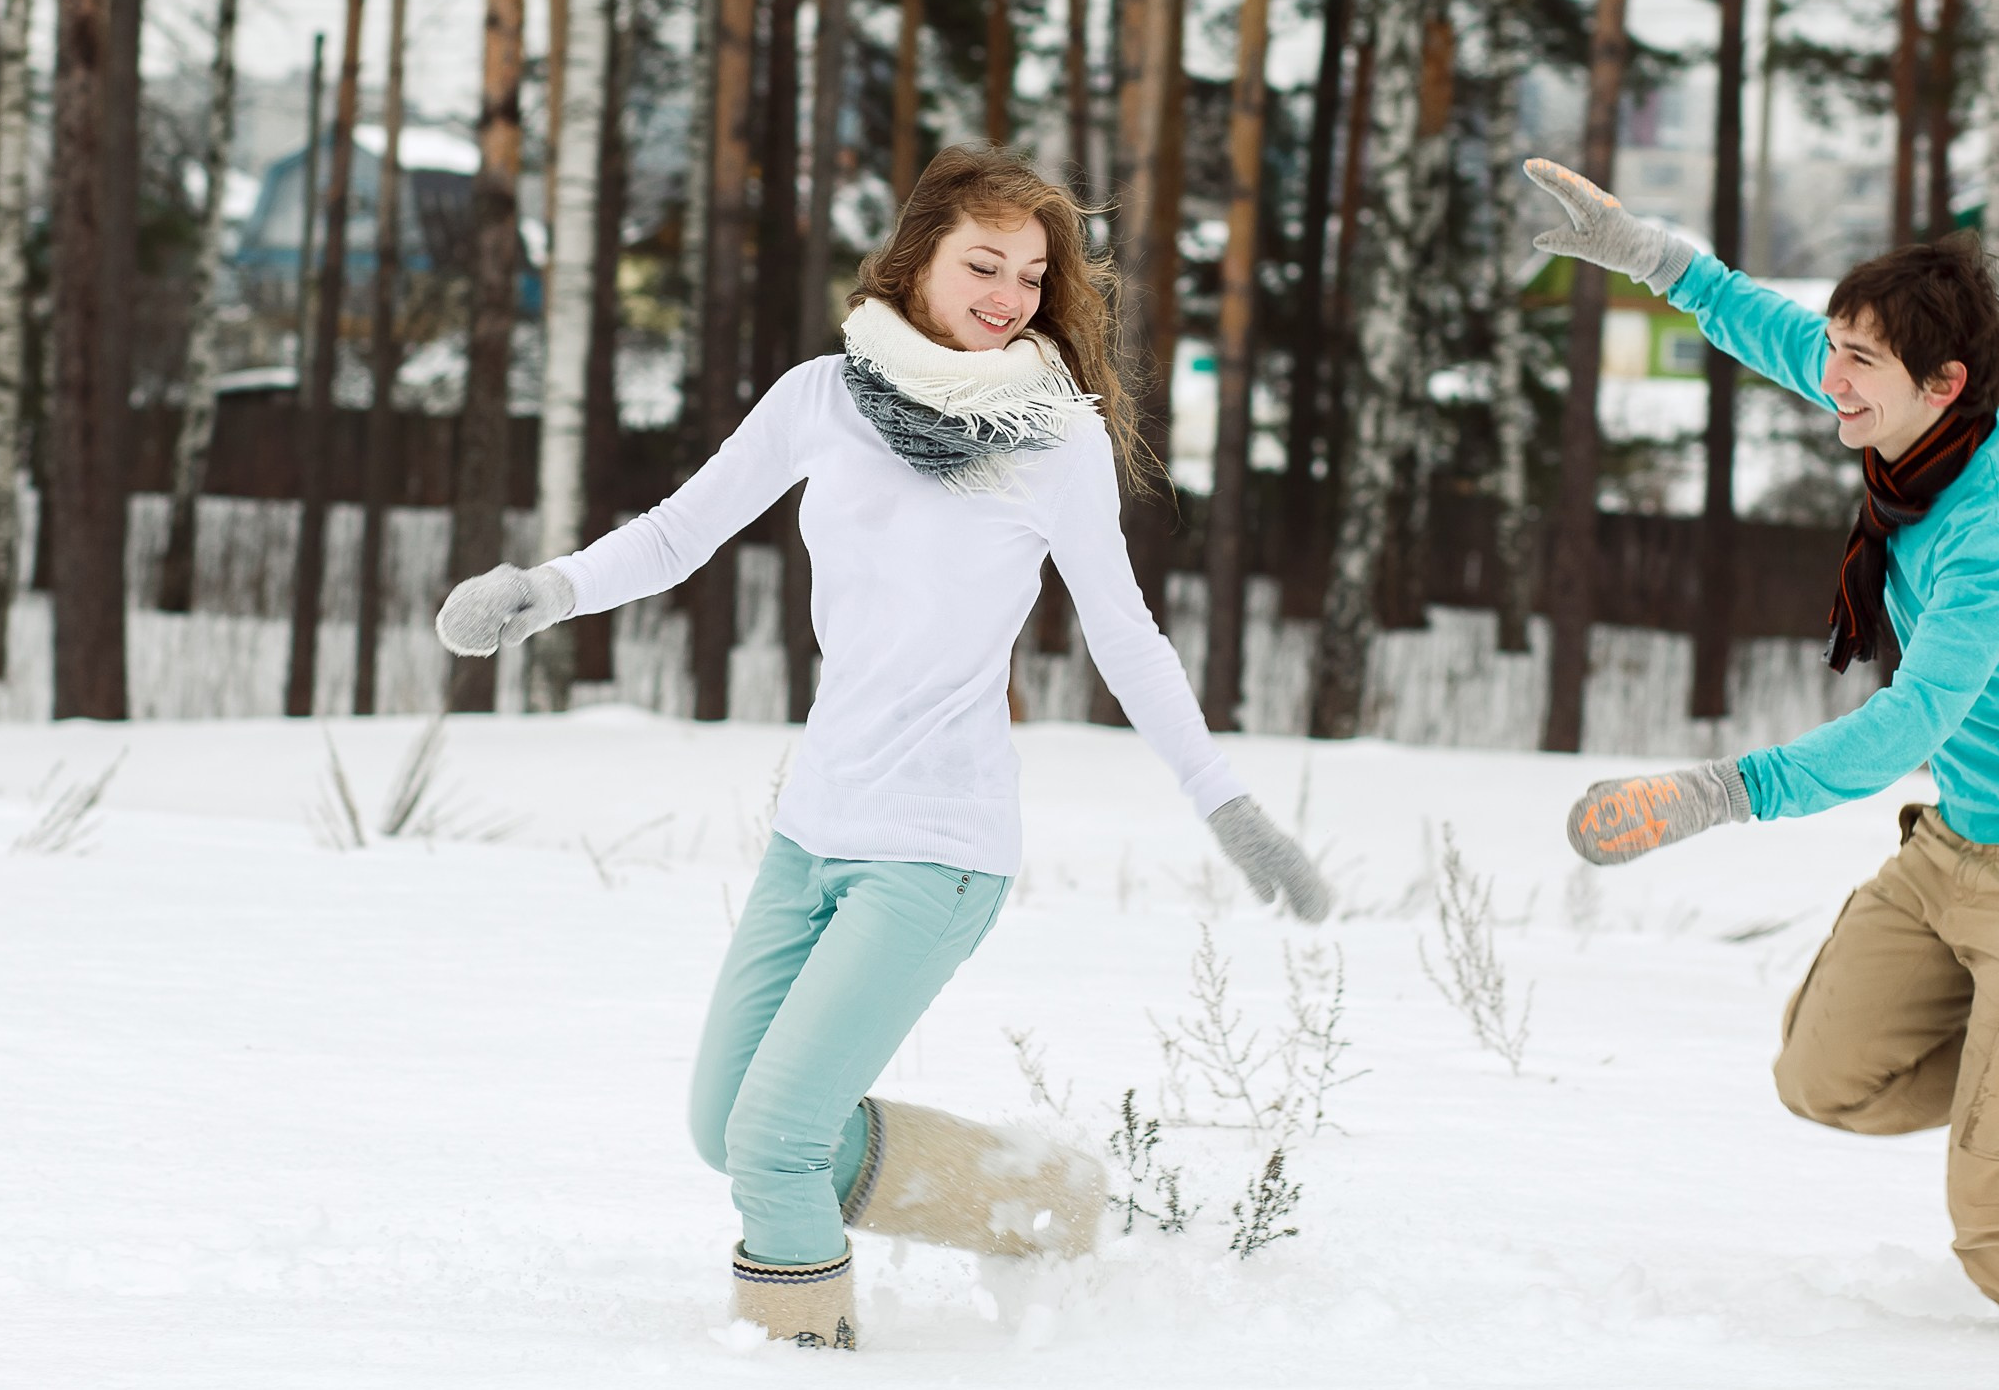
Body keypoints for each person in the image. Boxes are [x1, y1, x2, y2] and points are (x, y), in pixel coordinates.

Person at [435, 143, 1332, 1350]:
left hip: (936, 848)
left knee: (775, 1143)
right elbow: (674, 536)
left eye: (1029, 273)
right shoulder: (821, 397)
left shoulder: (1052, 436)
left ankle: (800, 1350)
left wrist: (1227, 805)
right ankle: (1038, 1195)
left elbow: (1126, 638)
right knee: (727, 1128)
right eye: (983, 264)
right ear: (918, 261)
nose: (1010, 295)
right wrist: (540, 589)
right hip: (813, 830)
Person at [1523, 159, 1999, 1340]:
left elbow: (1908, 726)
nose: (1830, 379)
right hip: (1965, 845)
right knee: (1821, 1080)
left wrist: (1723, 792)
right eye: (1835, 350)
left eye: (1856, 362)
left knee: (1995, 1204)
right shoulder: (1907, 429)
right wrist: (1642, 253)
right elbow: (1761, 324)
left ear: (1945, 381)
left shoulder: (1997, 526)